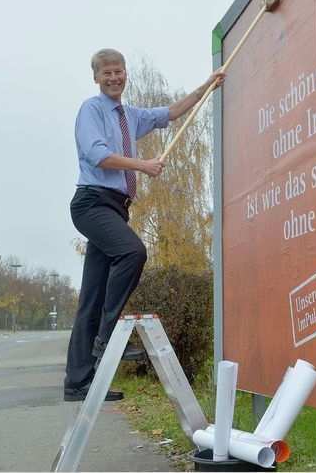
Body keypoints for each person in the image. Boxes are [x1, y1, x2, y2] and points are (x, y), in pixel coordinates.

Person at [64, 48, 224, 402]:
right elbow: (98, 156)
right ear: (96, 78)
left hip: (116, 208)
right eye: (106, 73)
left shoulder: (130, 115)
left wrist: (206, 88)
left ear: (125, 74)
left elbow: (169, 113)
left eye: (118, 71)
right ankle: (107, 340)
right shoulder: (91, 110)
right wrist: (143, 165)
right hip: (92, 203)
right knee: (133, 252)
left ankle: (78, 384)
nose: (114, 78)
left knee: (90, 297)